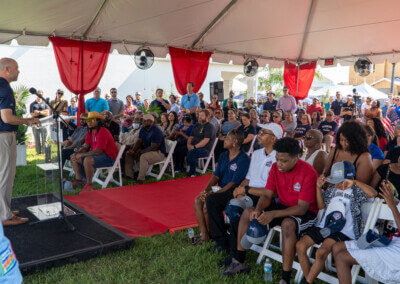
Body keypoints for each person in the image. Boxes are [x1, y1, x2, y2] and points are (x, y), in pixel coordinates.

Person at [223, 138, 319, 281]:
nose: (279, 164)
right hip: (284, 206)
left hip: (306, 212)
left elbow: (301, 208)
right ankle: (239, 261)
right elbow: (267, 194)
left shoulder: (308, 172)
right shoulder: (275, 168)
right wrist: (259, 208)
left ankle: (285, 278)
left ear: (296, 158)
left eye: (284, 161)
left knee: (287, 224)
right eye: (277, 159)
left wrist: (272, 214)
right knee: (249, 212)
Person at [296, 161, 376, 284]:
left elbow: (373, 194)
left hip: (343, 230)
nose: (338, 184)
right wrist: (318, 188)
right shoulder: (333, 189)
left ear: (351, 178)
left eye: (342, 181)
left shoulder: (356, 190)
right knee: (300, 246)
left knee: (321, 252)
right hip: (325, 225)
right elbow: (321, 206)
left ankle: (307, 281)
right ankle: (309, 279)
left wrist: (354, 183)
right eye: (336, 181)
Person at [217, 123, 282, 265]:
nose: (259, 135)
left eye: (263, 133)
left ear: (273, 139)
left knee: (237, 209)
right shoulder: (257, 153)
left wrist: (245, 191)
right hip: (250, 192)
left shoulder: (280, 158)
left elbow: (273, 193)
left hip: (266, 197)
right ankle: (234, 253)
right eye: (260, 132)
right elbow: (248, 178)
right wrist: (239, 190)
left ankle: (238, 257)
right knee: (233, 208)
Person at [333, 181, 400, 284]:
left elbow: (394, 206)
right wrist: (389, 194)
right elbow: (396, 203)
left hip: (395, 254)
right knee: (337, 247)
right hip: (392, 243)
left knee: (342, 257)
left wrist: (392, 206)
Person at [0, 58, 41, 226]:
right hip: (4, 136)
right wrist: (27, 121)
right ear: (7, 70)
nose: (19, 71)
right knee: (5, 177)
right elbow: (6, 117)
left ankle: (4, 209)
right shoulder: (5, 87)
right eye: (16, 68)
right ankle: (5, 216)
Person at [193, 129, 250, 246]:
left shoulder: (243, 159)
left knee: (206, 206)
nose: (223, 139)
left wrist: (214, 194)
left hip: (232, 192)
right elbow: (216, 176)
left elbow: (233, 183)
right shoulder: (224, 155)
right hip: (219, 189)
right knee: (198, 200)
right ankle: (205, 235)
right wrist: (205, 190)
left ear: (235, 142)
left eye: (227, 138)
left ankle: (212, 234)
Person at [70, 111, 117, 191]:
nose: (89, 123)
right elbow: (86, 145)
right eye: (88, 120)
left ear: (98, 121)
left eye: (91, 120)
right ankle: (79, 180)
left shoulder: (103, 131)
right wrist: (79, 152)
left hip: (108, 157)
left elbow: (98, 151)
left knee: (87, 160)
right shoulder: (90, 131)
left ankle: (89, 184)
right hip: (99, 155)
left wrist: (82, 155)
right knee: (73, 156)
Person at [124, 114, 166, 183]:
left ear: (151, 122)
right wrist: (133, 150)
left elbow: (153, 147)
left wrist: (140, 152)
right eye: (142, 120)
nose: (142, 122)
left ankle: (140, 179)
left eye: (145, 121)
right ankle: (129, 175)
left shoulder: (156, 131)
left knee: (143, 157)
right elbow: (139, 141)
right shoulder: (143, 129)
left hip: (158, 152)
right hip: (148, 150)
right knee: (129, 153)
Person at [186, 109, 216, 177]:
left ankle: (192, 173)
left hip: (205, 150)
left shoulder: (210, 127)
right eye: (199, 115)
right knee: (179, 149)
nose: (199, 117)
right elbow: (191, 136)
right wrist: (188, 145)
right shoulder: (197, 125)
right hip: (193, 146)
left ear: (207, 116)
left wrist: (194, 147)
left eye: (202, 115)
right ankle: (179, 168)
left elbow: (205, 140)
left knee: (192, 152)